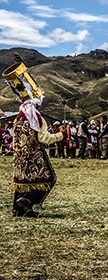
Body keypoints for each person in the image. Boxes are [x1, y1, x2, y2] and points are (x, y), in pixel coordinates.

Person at [3, 61, 64, 217]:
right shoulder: (35, 116)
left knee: (22, 183)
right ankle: (27, 201)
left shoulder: (18, 117)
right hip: (34, 155)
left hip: (19, 157)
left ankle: (17, 209)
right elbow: (44, 138)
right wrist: (60, 135)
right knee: (49, 178)